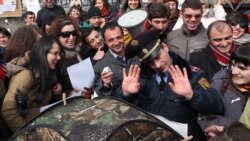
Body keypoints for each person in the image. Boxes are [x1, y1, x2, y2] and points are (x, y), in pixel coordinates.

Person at [122, 30, 224, 140]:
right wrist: (126, 95)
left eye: (157, 57)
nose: (157, 65)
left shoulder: (192, 74)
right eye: (150, 62)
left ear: (165, 47)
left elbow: (216, 107)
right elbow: (124, 114)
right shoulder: (140, 78)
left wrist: (192, 95)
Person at [1, 36, 62, 132]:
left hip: (39, 124)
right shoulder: (26, 75)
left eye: (59, 53)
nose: (59, 57)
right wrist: (27, 134)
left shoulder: (46, 73)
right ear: (43, 53)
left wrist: (56, 93)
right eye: (55, 53)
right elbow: (8, 111)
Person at [202, 44, 250, 137]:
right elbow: (204, 116)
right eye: (232, 64)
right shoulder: (219, 85)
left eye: (242, 68)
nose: (234, 71)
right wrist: (223, 126)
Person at [47, 16, 92, 98]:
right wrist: (76, 94)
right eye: (66, 34)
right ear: (57, 37)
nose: (71, 38)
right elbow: (55, 91)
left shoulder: (81, 51)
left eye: (73, 33)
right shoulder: (54, 59)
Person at [93, 21, 140, 97]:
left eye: (118, 37)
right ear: (105, 42)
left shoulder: (137, 54)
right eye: (111, 40)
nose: (116, 43)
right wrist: (105, 85)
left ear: (123, 36)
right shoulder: (100, 67)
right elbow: (101, 98)